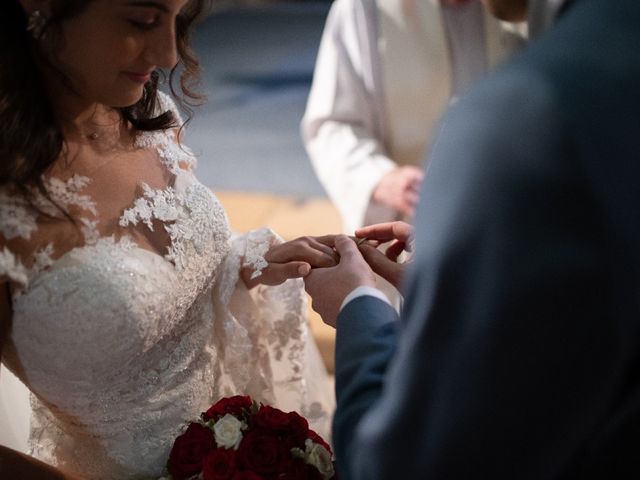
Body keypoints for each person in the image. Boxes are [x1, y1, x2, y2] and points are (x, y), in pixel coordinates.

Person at [0, 1, 336, 478]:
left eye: (177, 20)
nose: (169, 55)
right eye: (142, 21)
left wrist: (243, 263)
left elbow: (167, 272)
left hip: (248, 432)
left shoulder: (146, 109)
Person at [305, 0, 640, 477]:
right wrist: (380, 179)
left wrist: (358, 307)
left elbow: (412, 460)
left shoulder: (521, 114)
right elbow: (331, 122)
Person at [301, 0, 524, 234]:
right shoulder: (364, 5)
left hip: (507, 223)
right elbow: (334, 123)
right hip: (409, 229)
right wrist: (379, 178)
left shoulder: (527, 8)